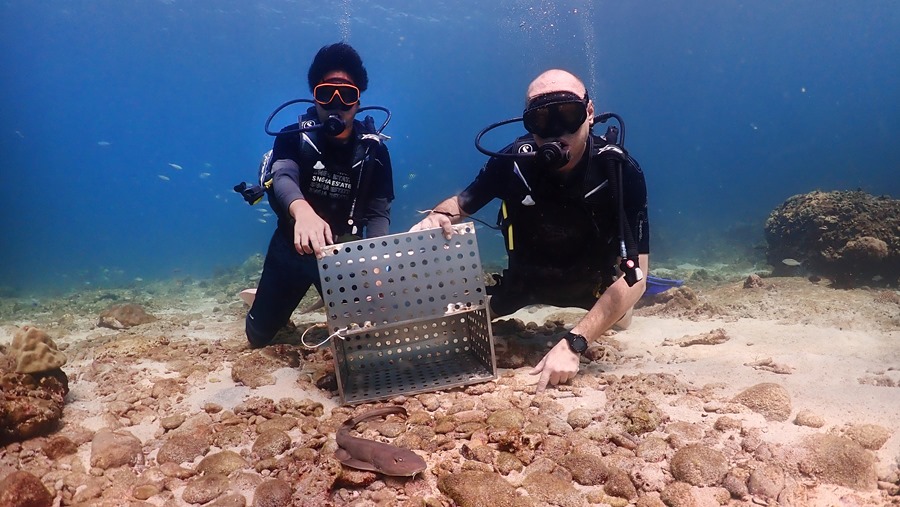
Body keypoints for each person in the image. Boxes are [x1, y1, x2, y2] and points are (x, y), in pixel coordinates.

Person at [410, 69, 649, 393]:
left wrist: (575, 342)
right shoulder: (511, 163)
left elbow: (638, 277)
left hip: (591, 284)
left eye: (568, 114)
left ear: (589, 113)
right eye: (540, 119)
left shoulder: (619, 171)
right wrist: (439, 214)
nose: (555, 131)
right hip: (524, 283)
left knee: (623, 319)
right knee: (452, 328)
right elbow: (462, 202)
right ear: (527, 123)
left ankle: (607, 312)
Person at [245, 42, 394, 348]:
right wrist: (303, 212)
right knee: (258, 338)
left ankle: (326, 304)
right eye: (327, 93)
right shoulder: (291, 135)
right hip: (291, 250)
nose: (337, 103)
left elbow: (379, 212)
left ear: (359, 100)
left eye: (347, 94)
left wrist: (377, 261)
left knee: (363, 341)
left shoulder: (375, 151)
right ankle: (266, 305)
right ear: (314, 96)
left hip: (344, 258)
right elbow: (283, 175)